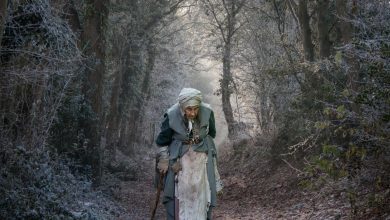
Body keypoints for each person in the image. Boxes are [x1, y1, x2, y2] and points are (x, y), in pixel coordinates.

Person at [155, 88, 223, 220]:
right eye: (189, 109)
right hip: (179, 161)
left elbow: (212, 133)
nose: (193, 113)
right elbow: (162, 141)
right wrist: (164, 159)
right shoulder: (172, 115)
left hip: (201, 161)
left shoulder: (207, 112)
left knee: (202, 194)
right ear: (182, 107)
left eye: (196, 109)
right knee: (179, 196)